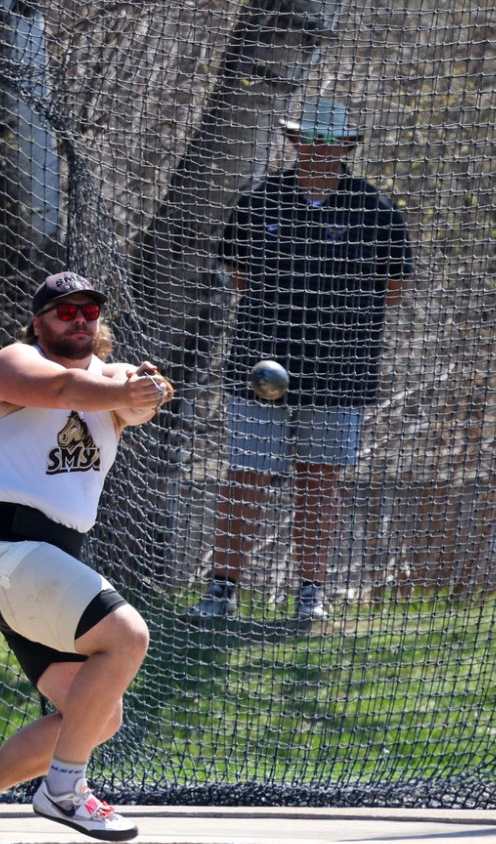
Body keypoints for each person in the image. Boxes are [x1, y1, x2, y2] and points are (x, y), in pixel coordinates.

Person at [0, 271, 173, 844]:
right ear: (38, 323)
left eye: (89, 310)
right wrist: (125, 394)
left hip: (45, 569)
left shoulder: (110, 380)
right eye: (64, 312)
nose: (79, 319)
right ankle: (64, 789)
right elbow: (64, 392)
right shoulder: (12, 362)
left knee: (95, 715)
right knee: (128, 635)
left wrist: (146, 391)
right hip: (7, 554)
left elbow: (129, 394)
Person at [186, 97, 414, 622]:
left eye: (331, 142)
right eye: (310, 140)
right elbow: (237, 273)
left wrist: (333, 325)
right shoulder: (261, 200)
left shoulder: (374, 210)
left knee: (320, 479)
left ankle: (309, 594)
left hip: (340, 368)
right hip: (261, 363)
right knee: (247, 473)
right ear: (294, 142)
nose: (319, 150)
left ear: (346, 148)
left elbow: (394, 286)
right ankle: (221, 591)